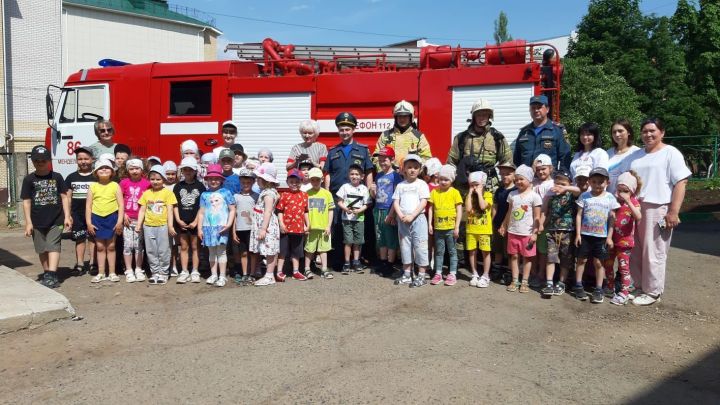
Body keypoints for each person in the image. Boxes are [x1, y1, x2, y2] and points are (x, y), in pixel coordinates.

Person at [620, 118, 691, 306]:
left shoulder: (670, 153)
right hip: (635, 207)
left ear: (662, 132)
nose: (648, 134)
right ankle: (639, 285)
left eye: (652, 131)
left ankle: (653, 291)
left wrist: (673, 211)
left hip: (658, 208)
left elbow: (681, 182)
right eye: (644, 131)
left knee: (654, 250)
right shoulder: (635, 155)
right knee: (635, 248)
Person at [324, 112, 374, 268]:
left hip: (358, 197)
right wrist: (327, 193)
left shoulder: (362, 150)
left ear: (353, 130)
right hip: (338, 197)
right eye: (341, 129)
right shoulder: (333, 151)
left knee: (359, 228)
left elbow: (369, 171)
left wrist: (369, 192)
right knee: (338, 227)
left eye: (347, 129)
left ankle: (360, 259)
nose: (344, 132)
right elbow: (328, 174)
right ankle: (340, 260)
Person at [21, 145, 71, 289]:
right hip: (36, 221)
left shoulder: (57, 177)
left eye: (43, 160)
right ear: (32, 161)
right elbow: (26, 201)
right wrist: (28, 223)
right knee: (42, 249)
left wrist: (67, 216)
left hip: (56, 219)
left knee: (53, 246)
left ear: (49, 160)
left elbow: (64, 196)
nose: (40, 163)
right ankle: (47, 273)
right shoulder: (29, 179)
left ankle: (52, 274)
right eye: (37, 160)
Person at [573, 167, 620, 303]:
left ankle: (599, 289)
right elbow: (579, 215)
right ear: (589, 182)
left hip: (601, 237)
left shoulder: (610, 198)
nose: (597, 184)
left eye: (601, 182)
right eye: (594, 181)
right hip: (585, 235)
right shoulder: (584, 196)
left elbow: (612, 219)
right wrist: (578, 234)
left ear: (607, 183)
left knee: (599, 262)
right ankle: (578, 285)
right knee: (581, 260)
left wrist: (609, 237)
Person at [447, 99, 511, 194]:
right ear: (473, 117)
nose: (481, 118)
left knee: (489, 208)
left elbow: (507, 161)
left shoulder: (497, 137)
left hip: (489, 186)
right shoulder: (461, 138)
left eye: (484, 115)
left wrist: (505, 183)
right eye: (478, 115)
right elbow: (451, 163)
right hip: (466, 187)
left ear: (489, 116)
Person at [498, 164, 542, 293]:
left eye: (521, 179)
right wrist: (503, 225)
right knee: (514, 256)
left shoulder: (535, 196)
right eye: (516, 179)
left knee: (527, 258)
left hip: (527, 233)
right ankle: (515, 280)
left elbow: (537, 217)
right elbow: (509, 212)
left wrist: (535, 234)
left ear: (529, 180)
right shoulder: (512, 195)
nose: (518, 181)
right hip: (513, 232)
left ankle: (525, 281)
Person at [602, 171, 642, 306]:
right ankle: (610, 287)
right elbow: (611, 220)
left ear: (631, 191)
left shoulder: (634, 202)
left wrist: (628, 201)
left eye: (625, 190)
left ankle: (624, 293)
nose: (622, 193)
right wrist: (608, 238)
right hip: (612, 240)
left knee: (624, 268)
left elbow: (638, 216)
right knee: (608, 265)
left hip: (625, 243)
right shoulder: (614, 201)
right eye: (619, 190)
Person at [392, 154, 430, 287]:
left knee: (420, 246)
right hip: (403, 220)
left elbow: (423, 202)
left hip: (418, 219)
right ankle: (407, 274)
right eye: (409, 167)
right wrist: (401, 215)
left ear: (420, 170)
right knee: (405, 246)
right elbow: (396, 202)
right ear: (404, 169)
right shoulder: (400, 186)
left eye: (415, 167)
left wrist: (412, 216)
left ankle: (421, 275)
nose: (412, 170)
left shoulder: (422, 184)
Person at [540, 169, 579, 297]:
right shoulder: (551, 194)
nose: (559, 186)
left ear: (569, 183)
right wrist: (541, 225)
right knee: (551, 257)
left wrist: (566, 188)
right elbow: (545, 211)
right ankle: (549, 283)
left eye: (562, 183)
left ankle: (561, 283)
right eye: (557, 183)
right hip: (552, 231)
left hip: (568, 232)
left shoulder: (571, 194)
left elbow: (579, 191)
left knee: (565, 259)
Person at [136, 165, 178, 285]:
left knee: (164, 250)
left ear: (163, 179)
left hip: (163, 226)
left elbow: (170, 211)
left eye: (158, 179)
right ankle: (155, 273)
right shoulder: (146, 193)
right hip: (148, 226)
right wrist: (139, 224)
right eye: (152, 179)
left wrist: (170, 226)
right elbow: (142, 210)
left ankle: (164, 273)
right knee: (151, 250)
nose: (155, 181)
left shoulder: (168, 193)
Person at [196, 164, 236, 287]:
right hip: (208, 228)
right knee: (211, 252)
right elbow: (201, 213)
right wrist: (199, 228)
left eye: (216, 178)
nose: (213, 181)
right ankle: (214, 274)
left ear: (221, 180)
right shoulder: (204, 195)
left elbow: (232, 210)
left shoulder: (226, 192)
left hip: (221, 227)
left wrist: (228, 225)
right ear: (207, 180)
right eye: (211, 178)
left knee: (221, 252)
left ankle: (222, 276)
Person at [86, 158, 124, 283]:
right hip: (96, 219)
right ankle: (101, 272)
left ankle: (112, 272)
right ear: (96, 172)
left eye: (107, 168)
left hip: (112, 218)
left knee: (111, 246)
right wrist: (89, 223)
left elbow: (121, 205)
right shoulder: (93, 187)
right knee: (100, 246)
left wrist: (119, 221)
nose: (104, 170)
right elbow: (88, 206)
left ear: (112, 172)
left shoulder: (115, 185)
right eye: (100, 168)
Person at [514, 95, 571, 171]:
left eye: (539, 107)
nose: (536, 110)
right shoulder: (524, 132)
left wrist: (561, 177)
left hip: (549, 179)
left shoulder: (558, 130)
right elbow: (516, 159)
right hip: (527, 179)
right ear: (530, 110)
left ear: (547, 109)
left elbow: (565, 158)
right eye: (533, 108)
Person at [428, 165, 462, 286]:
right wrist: (430, 225)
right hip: (438, 228)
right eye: (441, 179)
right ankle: (438, 273)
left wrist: (457, 227)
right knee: (439, 252)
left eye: (446, 179)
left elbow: (459, 210)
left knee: (452, 251)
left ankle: (452, 273)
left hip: (451, 228)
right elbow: (431, 209)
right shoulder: (434, 192)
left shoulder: (455, 193)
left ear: (451, 180)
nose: (443, 181)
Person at [370, 146, 402, 276]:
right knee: (380, 238)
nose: (382, 162)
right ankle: (383, 262)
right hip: (378, 209)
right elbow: (375, 196)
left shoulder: (395, 176)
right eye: (380, 160)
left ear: (392, 159)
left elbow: (397, 196)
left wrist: (393, 214)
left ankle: (390, 264)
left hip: (389, 211)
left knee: (390, 239)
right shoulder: (378, 175)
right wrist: (372, 191)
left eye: (385, 160)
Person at [173, 157, 206, 284]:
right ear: (182, 171)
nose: (187, 172)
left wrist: (196, 222)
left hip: (195, 222)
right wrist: (178, 219)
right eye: (185, 169)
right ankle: (184, 271)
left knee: (195, 247)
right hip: (182, 221)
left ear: (195, 171)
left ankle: (195, 271)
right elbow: (174, 205)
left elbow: (202, 206)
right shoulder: (178, 186)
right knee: (184, 247)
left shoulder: (200, 186)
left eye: (190, 170)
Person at [65, 146, 96, 275]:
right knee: (80, 238)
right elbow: (67, 197)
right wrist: (68, 215)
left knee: (93, 239)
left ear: (92, 160)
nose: (83, 161)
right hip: (77, 214)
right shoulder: (71, 177)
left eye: (86, 159)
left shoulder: (96, 176)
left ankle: (94, 264)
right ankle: (80, 264)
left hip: (94, 214)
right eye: (80, 159)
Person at [373, 100, 432, 169]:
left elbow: (426, 158)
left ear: (411, 117)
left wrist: (412, 172)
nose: (402, 119)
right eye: (399, 116)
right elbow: (376, 157)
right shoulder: (385, 135)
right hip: (389, 177)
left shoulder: (419, 137)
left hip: (410, 178)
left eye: (405, 116)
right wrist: (385, 172)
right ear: (395, 117)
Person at [249, 162, 281, 286]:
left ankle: (269, 275)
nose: (257, 180)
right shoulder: (267, 191)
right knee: (266, 250)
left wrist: (263, 228)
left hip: (267, 225)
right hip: (263, 223)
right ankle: (267, 274)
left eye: (259, 178)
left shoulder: (268, 194)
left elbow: (267, 211)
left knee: (270, 250)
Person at [119, 158, 150, 282]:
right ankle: (128, 269)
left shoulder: (147, 183)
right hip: (127, 219)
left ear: (142, 170)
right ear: (127, 170)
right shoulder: (124, 183)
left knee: (138, 246)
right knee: (127, 245)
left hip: (140, 220)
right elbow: (119, 200)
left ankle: (138, 268)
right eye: (131, 169)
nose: (134, 171)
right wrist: (123, 215)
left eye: (137, 168)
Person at [336, 164, 370, 274]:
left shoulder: (364, 189)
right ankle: (346, 263)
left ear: (362, 176)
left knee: (358, 241)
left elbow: (367, 204)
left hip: (359, 219)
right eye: (352, 174)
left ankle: (356, 261)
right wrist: (345, 209)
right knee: (348, 241)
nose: (354, 176)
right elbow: (339, 201)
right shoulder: (345, 187)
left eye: (357, 174)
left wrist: (360, 211)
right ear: (348, 175)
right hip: (347, 219)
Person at [276, 169, 310, 280]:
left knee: (297, 251)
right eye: (291, 181)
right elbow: (280, 211)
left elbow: (306, 211)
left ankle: (296, 271)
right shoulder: (284, 195)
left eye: (297, 181)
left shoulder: (304, 195)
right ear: (287, 182)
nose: (294, 184)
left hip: (299, 228)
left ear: (301, 181)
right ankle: (279, 272)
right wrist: (281, 224)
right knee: (282, 251)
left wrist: (307, 224)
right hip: (285, 228)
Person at [304, 168, 335, 279]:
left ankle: (324, 269)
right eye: (313, 180)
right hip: (311, 228)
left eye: (317, 179)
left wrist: (328, 225)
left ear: (322, 179)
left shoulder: (327, 194)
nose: (315, 182)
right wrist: (307, 225)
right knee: (309, 249)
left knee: (323, 249)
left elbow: (331, 210)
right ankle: (307, 268)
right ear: (310, 180)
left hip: (323, 227)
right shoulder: (307, 194)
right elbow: (305, 211)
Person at [465, 171, 494, 288]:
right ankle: (474, 273)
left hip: (484, 230)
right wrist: (469, 194)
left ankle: (486, 275)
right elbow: (467, 209)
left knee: (485, 252)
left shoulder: (488, 195)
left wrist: (479, 194)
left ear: (483, 184)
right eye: (472, 185)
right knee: (472, 252)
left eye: (476, 184)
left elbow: (482, 206)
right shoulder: (469, 196)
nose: (474, 187)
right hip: (471, 229)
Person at [232, 168, 259, 285]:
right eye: (243, 182)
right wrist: (233, 232)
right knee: (243, 252)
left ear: (253, 182)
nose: (246, 185)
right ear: (240, 182)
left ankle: (252, 273)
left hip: (252, 230)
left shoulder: (257, 197)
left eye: (248, 182)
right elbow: (233, 216)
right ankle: (244, 274)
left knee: (253, 252)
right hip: (240, 229)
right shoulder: (236, 197)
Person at [491, 162, 516, 273]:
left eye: (508, 174)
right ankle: (497, 267)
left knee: (510, 250)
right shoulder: (499, 190)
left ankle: (510, 271)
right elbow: (495, 207)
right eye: (502, 174)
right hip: (498, 222)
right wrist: (492, 221)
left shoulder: (515, 191)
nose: (504, 176)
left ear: (514, 175)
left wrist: (505, 225)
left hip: (511, 225)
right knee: (498, 248)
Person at [606, 119, 640, 193]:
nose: (617, 134)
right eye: (614, 132)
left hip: (628, 200)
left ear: (628, 132)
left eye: (620, 131)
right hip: (609, 198)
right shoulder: (607, 153)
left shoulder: (637, 152)